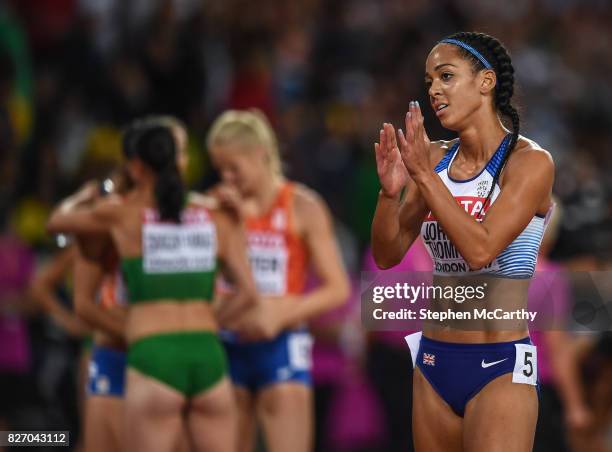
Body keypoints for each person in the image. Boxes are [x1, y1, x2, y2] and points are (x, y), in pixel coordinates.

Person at [371, 32, 554, 451]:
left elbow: (480, 249)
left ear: (485, 82)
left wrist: (423, 177)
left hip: (500, 364)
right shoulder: (434, 159)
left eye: (446, 76)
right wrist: (388, 194)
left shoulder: (530, 162)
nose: (434, 90)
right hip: (434, 360)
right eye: (429, 81)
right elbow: (387, 254)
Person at [48, 121, 257, 452]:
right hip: (190, 351)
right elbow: (83, 303)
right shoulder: (211, 211)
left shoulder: (119, 214)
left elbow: (56, 224)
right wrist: (209, 321)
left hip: (149, 353)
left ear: (137, 166)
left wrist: (83, 196)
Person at [206, 109, 350, 452]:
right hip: (228, 342)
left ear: (260, 154)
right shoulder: (217, 207)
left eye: (233, 168)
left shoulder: (303, 206)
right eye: (220, 169)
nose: (227, 178)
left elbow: (338, 288)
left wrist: (282, 312)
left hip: (282, 344)